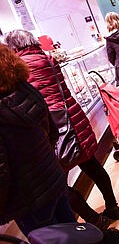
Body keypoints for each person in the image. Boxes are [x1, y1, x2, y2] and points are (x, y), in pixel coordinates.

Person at [3, 30, 119, 228]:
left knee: (58, 183)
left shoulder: (22, 65)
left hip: (55, 125)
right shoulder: (46, 57)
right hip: (72, 115)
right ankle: (113, 207)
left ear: (14, 47)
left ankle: (94, 219)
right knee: (91, 166)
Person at [0, 44, 76, 236]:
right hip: (52, 178)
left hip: (28, 199)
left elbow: (1, 173)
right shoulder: (26, 89)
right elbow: (51, 132)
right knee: (75, 235)